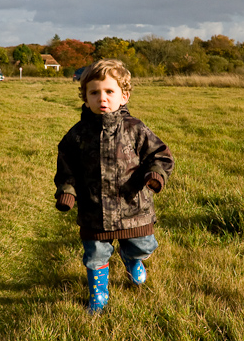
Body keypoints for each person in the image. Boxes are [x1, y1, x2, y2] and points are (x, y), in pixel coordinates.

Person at [54, 59, 174, 314]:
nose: (102, 98)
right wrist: (67, 191)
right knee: (95, 255)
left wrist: (155, 175)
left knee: (143, 245)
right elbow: (67, 167)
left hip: (134, 208)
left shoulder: (135, 129)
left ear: (124, 95)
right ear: (85, 98)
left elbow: (160, 155)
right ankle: (98, 293)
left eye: (109, 91)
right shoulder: (76, 135)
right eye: (94, 93)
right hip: (94, 211)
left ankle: (133, 259)